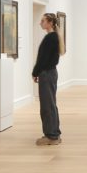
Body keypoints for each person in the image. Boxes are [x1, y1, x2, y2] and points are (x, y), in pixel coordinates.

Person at [32, 12, 66, 145]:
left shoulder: (50, 38)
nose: (41, 23)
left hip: (47, 73)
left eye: (43, 21)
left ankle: (51, 136)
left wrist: (35, 72)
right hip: (50, 73)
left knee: (47, 105)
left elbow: (43, 60)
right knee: (51, 104)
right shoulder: (53, 37)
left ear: (50, 23)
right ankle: (54, 133)